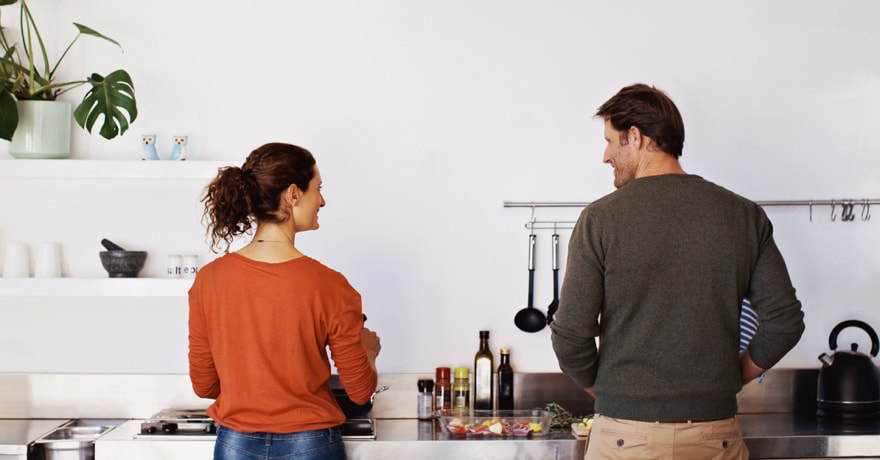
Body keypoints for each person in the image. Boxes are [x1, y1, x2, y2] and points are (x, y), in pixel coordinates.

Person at [550, 83, 805, 459]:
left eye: (609, 140)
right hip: (715, 437)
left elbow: (570, 337)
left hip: (625, 440)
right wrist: (731, 379)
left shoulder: (600, 220)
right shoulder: (742, 215)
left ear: (634, 137)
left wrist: (609, 391)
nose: (605, 156)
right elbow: (785, 322)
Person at [188, 142, 381, 460]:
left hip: (235, 444)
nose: (322, 201)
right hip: (311, 444)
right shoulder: (330, 286)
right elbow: (360, 392)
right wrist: (369, 351)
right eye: (318, 189)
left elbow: (205, 386)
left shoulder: (209, 281)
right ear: (293, 195)